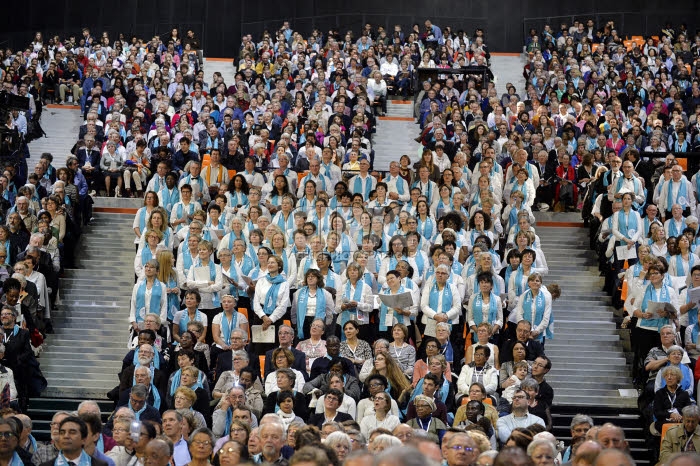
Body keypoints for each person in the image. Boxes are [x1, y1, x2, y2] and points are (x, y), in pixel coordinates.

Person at [39, 416, 109, 466]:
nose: (66, 436)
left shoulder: (100, 465)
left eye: (72, 432)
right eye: (62, 432)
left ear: (83, 439)